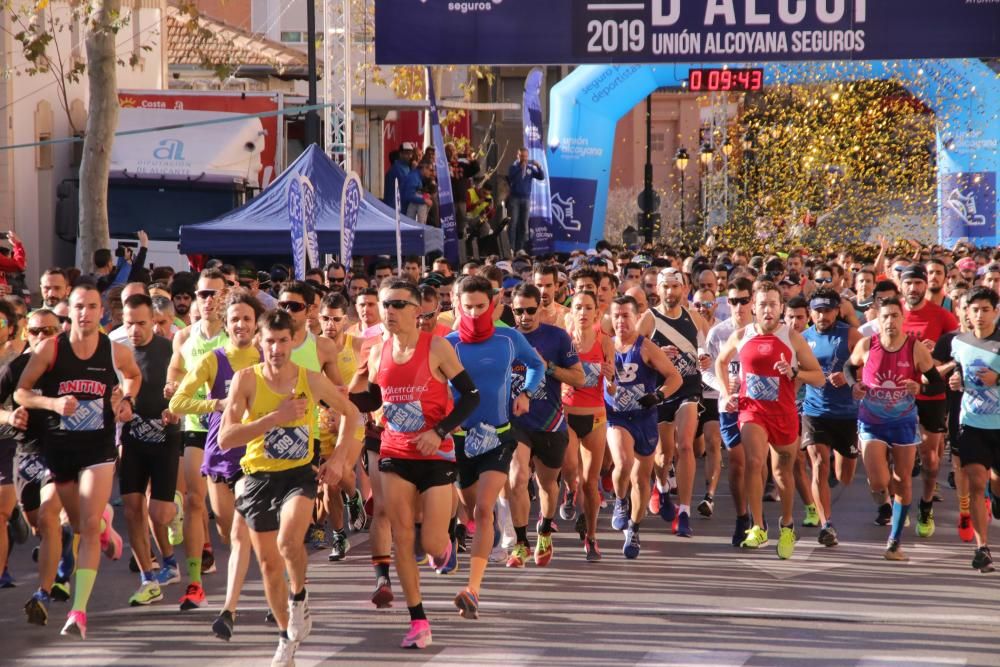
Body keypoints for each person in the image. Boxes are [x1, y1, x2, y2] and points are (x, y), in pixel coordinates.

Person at [219, 309, 362, 666]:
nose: (277, 348)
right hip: (257, 478)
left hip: (299, 474)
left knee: (287, 541)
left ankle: (299, 598)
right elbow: (225, 438)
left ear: (294, 342)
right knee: (268, 567)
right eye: (270, 341)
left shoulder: (310, 379)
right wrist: (274, 419)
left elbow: (351, 413)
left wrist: (339, 459)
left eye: (284, 341)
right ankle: (286, 637)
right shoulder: (245, 381)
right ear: (259, 342)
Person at [349, 279, 479, 649]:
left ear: (416, 309)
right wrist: (352, 390)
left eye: (396, 304)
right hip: (395, 452)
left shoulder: (436, 347)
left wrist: (439, 431)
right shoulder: (376, 353)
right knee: (402, 538)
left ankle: (446, 545)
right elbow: (373, 401)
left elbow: (471, 396)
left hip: (435, 453)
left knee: (434, 543)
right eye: (384, 304)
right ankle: (418, 619)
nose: (388, 311)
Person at [15, 283, 141, 638]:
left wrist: (126, 401)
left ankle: (79, 611)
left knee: (83, 526)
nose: (85, 313)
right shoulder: (49, 349)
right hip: (60, 449)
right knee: (71, 519)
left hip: (98, 449)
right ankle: (105, 527)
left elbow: (133, 375)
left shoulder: (113, 351)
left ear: (102, 311)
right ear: (67, 312)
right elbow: (21, 391)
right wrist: (53, 404)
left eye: (92, 306)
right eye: (79, 307)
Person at [445, 276, 545, 614]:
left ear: (494, 304)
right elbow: (433, 387)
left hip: (499, 435)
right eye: (467, 306)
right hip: (460, 440)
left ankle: (473, 589)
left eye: (480, 306)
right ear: (456, 304)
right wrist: (447, 415)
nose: (473, 313)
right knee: (469, 507)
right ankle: (464, 534)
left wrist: (526, 394)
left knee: (484, 509)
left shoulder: (508, 338)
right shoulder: (449, 344)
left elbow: (536, 365)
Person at [169, 293, 265, 640]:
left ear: (257, 324)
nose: (241, 325)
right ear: (226, 324)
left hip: (256, 455)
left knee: (240, 532)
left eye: (247, 319)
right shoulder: (214, 359)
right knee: (227, 531)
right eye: (235, 319)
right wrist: (217, 403)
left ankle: (230, 610)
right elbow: (178, 401)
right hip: (220, 454)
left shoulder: (267, 357)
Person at [715, 281, 825, 559]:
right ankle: (757, 526)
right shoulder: (742, 335)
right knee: (753, 461)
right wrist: (726, 393)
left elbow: (819, 377)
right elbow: (720, 361)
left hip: (784, 413)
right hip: (751, 410)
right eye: (762, 304)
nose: (767, 310)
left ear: (781, 307)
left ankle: (787, 525)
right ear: (754, 304)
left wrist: (794, 372)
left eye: (773, 304)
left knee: (781, 473)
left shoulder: (792, 338)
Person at [846, 296, 937, 561]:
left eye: (895, 316)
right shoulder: (867, 345)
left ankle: (894, 542)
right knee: (878, 481)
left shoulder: (915, 348)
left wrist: (920, 387)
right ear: (877, 320)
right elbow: (849, 367)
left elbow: (935, 383)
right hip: (872, 421)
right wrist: (855, 384)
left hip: (904, 422)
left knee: (903, 480)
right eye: (884, 316)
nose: (890, 321)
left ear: (903, 318)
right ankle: (883, 500)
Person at [165, 269, 230, 611]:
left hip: (231, 431)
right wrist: (172, 388)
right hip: (196, 425)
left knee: (227, 519)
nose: (206, 300)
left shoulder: (236, 336)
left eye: (213, 294)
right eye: (202, 294)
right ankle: (194, 583)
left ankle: (253, 569)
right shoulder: (185, 337)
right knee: (193, 501)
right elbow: (175, 369)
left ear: (225, 297)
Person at [506, 284, 584, 568]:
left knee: (547, 484)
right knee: (516, 478)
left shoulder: (557, 337)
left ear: (541, 307)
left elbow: (579, 378)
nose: (525, 316)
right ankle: (520, 543)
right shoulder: (506, 339)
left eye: (530, 309)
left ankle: (545, 529)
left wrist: (547, 367)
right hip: (517, 421)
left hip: (550, 422)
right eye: (519, 311)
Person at [116, 295, 182, 607]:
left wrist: (175, 409)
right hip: (132, 438)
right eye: (129, 323)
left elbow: (185, 387)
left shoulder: (169, 350)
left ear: (153, 321)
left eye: (141, 323)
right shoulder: (116, 351)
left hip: (166, 438)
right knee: (131, 508)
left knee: (159, 513)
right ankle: (147, 578)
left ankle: (169, 560)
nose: (134, 330)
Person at [606, 295, 682, 559]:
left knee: (641, 479)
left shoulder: (646, 347)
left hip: (644, 417)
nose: (620, 321)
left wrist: (659, 395)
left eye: (625, 315)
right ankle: (619, 502)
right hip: (616, 417)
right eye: (615, 315)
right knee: (623, 463)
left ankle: (634, 528)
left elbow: (675, 377)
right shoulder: (606, 346)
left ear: (637, 318)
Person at [898, 264, 959, 539]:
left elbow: (956, 355)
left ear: (926, 286)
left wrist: (937, 364)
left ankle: (925, 506)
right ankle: (897, 507)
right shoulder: (892, 314)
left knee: (931, 460)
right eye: (908, 283)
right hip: (897, 396)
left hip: (931, 395)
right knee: (894, 458)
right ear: (901, 285)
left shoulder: (943, 317)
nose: (914, 289)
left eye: (918, 283)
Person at [649, 267, 710, 537]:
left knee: (685, 445)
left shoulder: (694, 316)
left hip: (689, 387)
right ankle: (661, 488)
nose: (671, 292)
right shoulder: (648, 319)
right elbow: (632, 352)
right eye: (666, 287)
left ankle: (684, 512)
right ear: (658, 290)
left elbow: (707, 347)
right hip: (661, 389)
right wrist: (656, 353)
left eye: (676, 287)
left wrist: (704, 356)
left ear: (684, 289)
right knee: (664, 455)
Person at [800, 289, 862, 546]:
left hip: (847, 413)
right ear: (810, 312)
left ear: (837, 310)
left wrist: (849, 379)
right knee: (818, 465)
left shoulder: (850, 335)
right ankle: (826, 525)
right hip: (815, 411)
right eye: (817, 310)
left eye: (827, 310)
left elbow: (867, 365)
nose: (822, 315)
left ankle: (841, 465)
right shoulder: (802, 338)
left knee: (845, 474)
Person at [947, 286, 1000, 572]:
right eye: (975, 309)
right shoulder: (959, 343)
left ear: (996, 312)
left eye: (986, 309)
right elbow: (957, 371)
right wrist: (955, 380)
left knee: (995, 484)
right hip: (972, 423)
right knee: (977, 483)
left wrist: (998, 378)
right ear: (967, 312)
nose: (980, 315)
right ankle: (983, 548)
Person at [562, 290, 616, 560]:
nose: (582, 313)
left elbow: (614, 389)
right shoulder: (565, 341)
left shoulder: (605, 342)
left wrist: (610, 378)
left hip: (595, 416)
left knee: (590, 482)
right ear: (571, 312)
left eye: (588, 308)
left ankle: (591, 537)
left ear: (597, 312)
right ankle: (570, 492)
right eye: (578, 308)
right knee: (570, 467)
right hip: (568, 412)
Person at [702, 278, 755, 546]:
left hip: (758, 407)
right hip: (729, 407)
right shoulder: (718, 333)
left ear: (752, 301)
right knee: (736, 462)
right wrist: (724, 387)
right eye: (733, 301)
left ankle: (756, 515)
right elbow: (706, 371)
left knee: (755, 462)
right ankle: (742, 516)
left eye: (744, 300)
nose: (738, 306)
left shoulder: (763, 331)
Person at [506, 148, 544, 254]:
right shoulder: (513, 167)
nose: (524, 158)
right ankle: (511, 248)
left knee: (524, 224)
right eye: (522, 156)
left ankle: (520, 249)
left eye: (526, 156)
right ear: (518, 156)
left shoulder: (530, 168)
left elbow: (541, 177)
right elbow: (511, 177)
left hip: (526, 199)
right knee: (513, 223)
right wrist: (520, 168)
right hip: (515, 199)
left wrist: (539, 167)